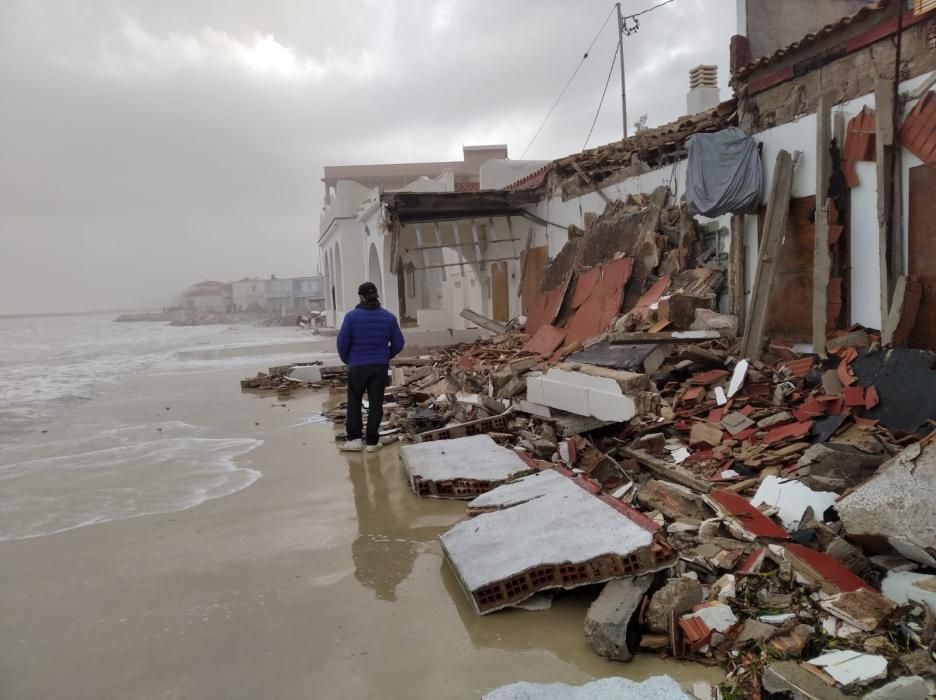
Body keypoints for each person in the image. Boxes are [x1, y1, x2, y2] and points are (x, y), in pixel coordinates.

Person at [336, 281, 405, 452]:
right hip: (379, 367)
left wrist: (348, 360)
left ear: (360, 297)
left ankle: (355, 440)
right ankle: (373, 442)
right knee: (376, 403)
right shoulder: (389, 317)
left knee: (354, 402)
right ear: (376, 296)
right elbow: (398, 342)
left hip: (357, 366)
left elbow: (342, 343)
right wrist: (384, 356)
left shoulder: (351, 317)